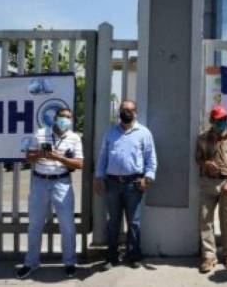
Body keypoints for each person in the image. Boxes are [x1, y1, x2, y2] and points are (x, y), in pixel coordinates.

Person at [16, 107, 84, 280]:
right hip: (40, 182)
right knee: (35, 225)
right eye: (62, 116)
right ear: (55, 118)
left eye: (68, 117)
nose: (64, 120)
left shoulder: (74, 138)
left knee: (67, 226)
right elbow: (28, 158)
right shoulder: (40, 134)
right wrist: (41, 153)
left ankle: (69, 262)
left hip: (62, 183)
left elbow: (79, 164)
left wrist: (59, 158)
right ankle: (31, 262)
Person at [94, 99, 157, 270]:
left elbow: (151, 158)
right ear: (119, 112)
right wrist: (98, 177)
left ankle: (133, 254)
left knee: (134, 222)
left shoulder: (144, 133)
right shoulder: (110, 132)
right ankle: (111, 256)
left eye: (130, 110)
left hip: (134, 184)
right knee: (113, 221)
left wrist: (148, 178)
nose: (126, 112)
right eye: (123, 109)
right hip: (112, 183)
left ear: (135, 113)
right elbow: (103, 156)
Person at [195, 105, 227, 273]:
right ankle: (209, 256)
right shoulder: (203, 138)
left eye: (225, 119)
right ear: (212, 121)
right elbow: (198, 159)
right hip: (208, 183)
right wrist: (206, 164)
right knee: (205, 219)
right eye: (219, 120)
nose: (223, 122)